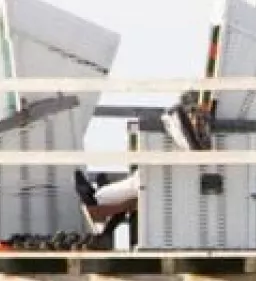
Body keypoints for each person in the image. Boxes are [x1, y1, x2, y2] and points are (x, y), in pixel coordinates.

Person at [74, 92, 213, 234]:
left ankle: (97, 199)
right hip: (162, 176)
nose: (198, 120)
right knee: (136, 186)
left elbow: (194, 150)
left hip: (164, 178)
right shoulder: (182, 124)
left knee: (136, 186)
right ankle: (98, 199)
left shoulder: (181, 124)